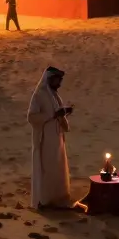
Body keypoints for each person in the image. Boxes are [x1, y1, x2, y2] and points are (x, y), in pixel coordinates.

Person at [27, 66, 74, 209]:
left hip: (57, 137)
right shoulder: (39, 95)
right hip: (45, 139)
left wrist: (64, 112)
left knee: (57, 167)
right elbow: (31, 117)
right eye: (57, 79)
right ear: (49, 79)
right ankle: (44, 200)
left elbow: (58, 114)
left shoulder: (54, 95)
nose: (59, 83)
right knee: (47, 168)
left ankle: (58, 197)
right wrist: (52, 116)